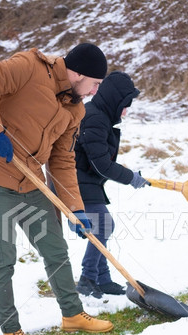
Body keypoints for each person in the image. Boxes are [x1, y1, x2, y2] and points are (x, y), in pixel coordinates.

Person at [0, 43, 114, 335]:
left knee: (55, 249)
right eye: (95, 84)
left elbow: (62, 160)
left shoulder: (76, 109)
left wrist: (76, 208)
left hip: (32, 184)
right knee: (2, 258)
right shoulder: (29, 68)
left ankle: (72, 315)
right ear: (80, 73)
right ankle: (11, 331)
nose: (95, 92)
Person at [73, 71, 149, 298]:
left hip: (86, 180)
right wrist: (130, 178)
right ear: (115, 100)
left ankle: (102, 279)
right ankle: (88, 278)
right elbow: (101, 165)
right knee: (103, 225)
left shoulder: (100, 115)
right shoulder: (95, 117)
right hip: (75, 181)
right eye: (125, 104)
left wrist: (129, 175)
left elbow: (98, 160)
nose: (126, 110)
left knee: (102, 226)